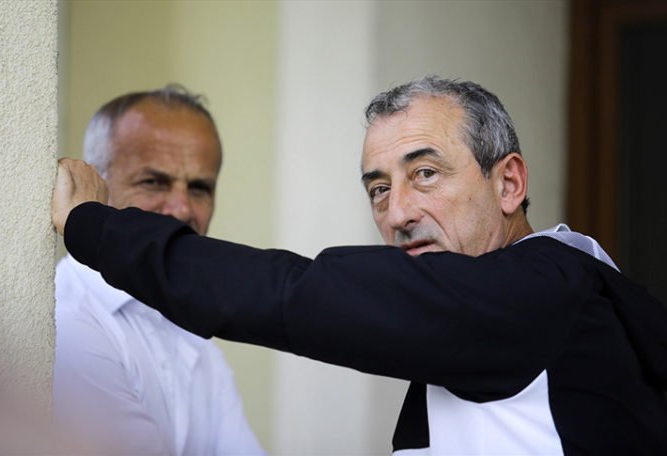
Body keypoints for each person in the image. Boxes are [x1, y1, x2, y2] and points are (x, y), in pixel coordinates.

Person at [52, 76, 667, 455]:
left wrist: (94, 226)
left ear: (508, 184)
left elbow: (292, 295)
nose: (397, 213)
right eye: (378, 188)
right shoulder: (523, 302)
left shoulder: (533, 292)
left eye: (425, 173)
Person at [52, 85, 265, 456]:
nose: (182, 209)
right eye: (153, 182)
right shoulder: (65, 318)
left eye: (199, 188)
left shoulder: (192, 322)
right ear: (96, 186)